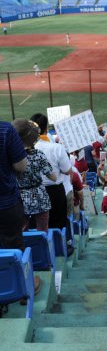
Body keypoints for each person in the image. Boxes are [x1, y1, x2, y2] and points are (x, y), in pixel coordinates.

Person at [0, 120, 42, 297]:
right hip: (6, 203)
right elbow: (21, 165)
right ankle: (24, 288)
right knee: (15, 245)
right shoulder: (5, 129)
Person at [12, 119, 56, 232]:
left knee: (21, 231)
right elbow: (53, 177)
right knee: (43, 230)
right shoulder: (39, 155)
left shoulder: (11, 156)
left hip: (19, 197)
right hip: (40, 196)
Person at [30, 114, 72, 233]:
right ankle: (61, 247)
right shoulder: (56, 148)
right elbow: (68, 170)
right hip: (55, 191)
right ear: (46, 129)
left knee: (38, 226)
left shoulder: (26, 149)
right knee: (57, 224)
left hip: (35, 191)